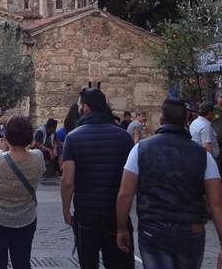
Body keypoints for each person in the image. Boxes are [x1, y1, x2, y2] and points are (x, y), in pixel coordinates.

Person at [116, 99, 222, 269]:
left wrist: (121, 229)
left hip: (153, 228)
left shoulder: (140, 150)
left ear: (161, 120)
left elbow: (125, 194)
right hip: (191, 230)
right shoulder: (204, 156)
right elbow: (216, 203)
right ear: (186, 120)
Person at [61, 87, 134, 268]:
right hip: (114, 211)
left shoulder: (73, 138)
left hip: (86, 212)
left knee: (88, 263)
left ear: (86, 108)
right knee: (119, 262)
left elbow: (67, 180)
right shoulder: (123, 137)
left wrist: (65, 210)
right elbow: (130, 180)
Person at [0, 115, 45, 269]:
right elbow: (39, 166)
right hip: (25, 218)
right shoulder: (38, 158)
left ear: (7, 136)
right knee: (22, 262)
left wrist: (2, 150)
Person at [56, 105, 80, 174]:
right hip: (76, 143)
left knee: (61, 151)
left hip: (68, 142)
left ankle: (62, 168)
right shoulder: (80, 120)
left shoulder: (67, 120)